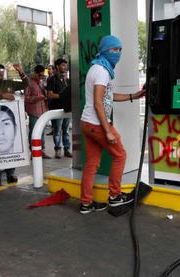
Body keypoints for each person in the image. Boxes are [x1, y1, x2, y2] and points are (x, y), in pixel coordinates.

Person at [79, 35, 146, 214]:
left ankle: (86, 203)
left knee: (91, 164)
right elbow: (98, 103)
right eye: (114, 50)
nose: (117, 53)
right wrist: (107, 131)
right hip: (97, 124)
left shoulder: (97, 68)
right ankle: (115, 197)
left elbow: (108, 96)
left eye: (119, 50)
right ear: (104, 50)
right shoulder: (101, 71)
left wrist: (133, 96)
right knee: (120, 156)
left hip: (87, 122)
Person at [0, 62, 29, 187]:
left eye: (1, 69)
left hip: (6, 122)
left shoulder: (9, 83)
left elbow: (25, 84)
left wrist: (21, 72)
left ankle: (11, 173)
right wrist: (2, 96)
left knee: (10, 150)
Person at [47, 58, 72, 159]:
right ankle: (57, 149)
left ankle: (67, 149)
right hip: (56, 108)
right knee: (57, 130)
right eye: (63, 65)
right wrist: (62, 96)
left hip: (66, 108)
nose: (65, 67)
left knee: (66, 130)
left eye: (65, 65)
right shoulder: (52, 79)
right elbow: (50, 94)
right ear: (57, 66)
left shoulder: (67, 79)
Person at [24, 65, 51, 159]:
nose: (41, 77)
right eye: (39, 75)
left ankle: (42, 150)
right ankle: (33, 152)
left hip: (43, 111)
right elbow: (26, 98)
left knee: (42, 132)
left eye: (42, 75)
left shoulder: (41, 82)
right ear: (35, 73)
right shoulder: (28, 83)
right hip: (34, 112)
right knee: (33, 132)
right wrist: (37, 98)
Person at [46, 64, 55, 136]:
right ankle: (53, 129)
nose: (48, 70)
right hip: (49, 99)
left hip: (53, 99)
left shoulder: (54, 78)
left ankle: (55, 129)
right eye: (48, 69)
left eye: (50, 69)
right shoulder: (48, 78)